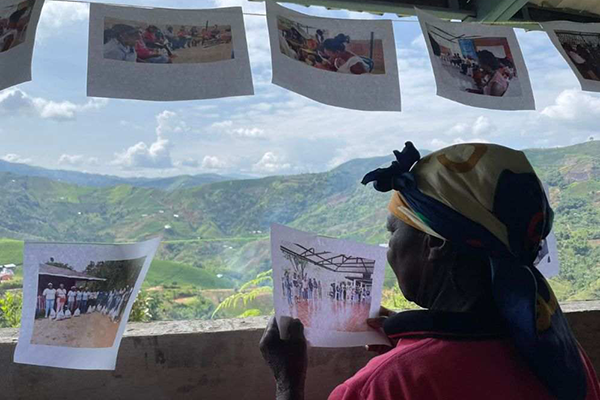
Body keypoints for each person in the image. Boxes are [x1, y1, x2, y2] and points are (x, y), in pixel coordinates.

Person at [260, 142, 600, 400]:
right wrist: (415, 340)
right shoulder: (559, 355)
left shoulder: (387, 384)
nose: (389, 248)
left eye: (394, 231)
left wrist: (287, 380)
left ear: (436, 244)